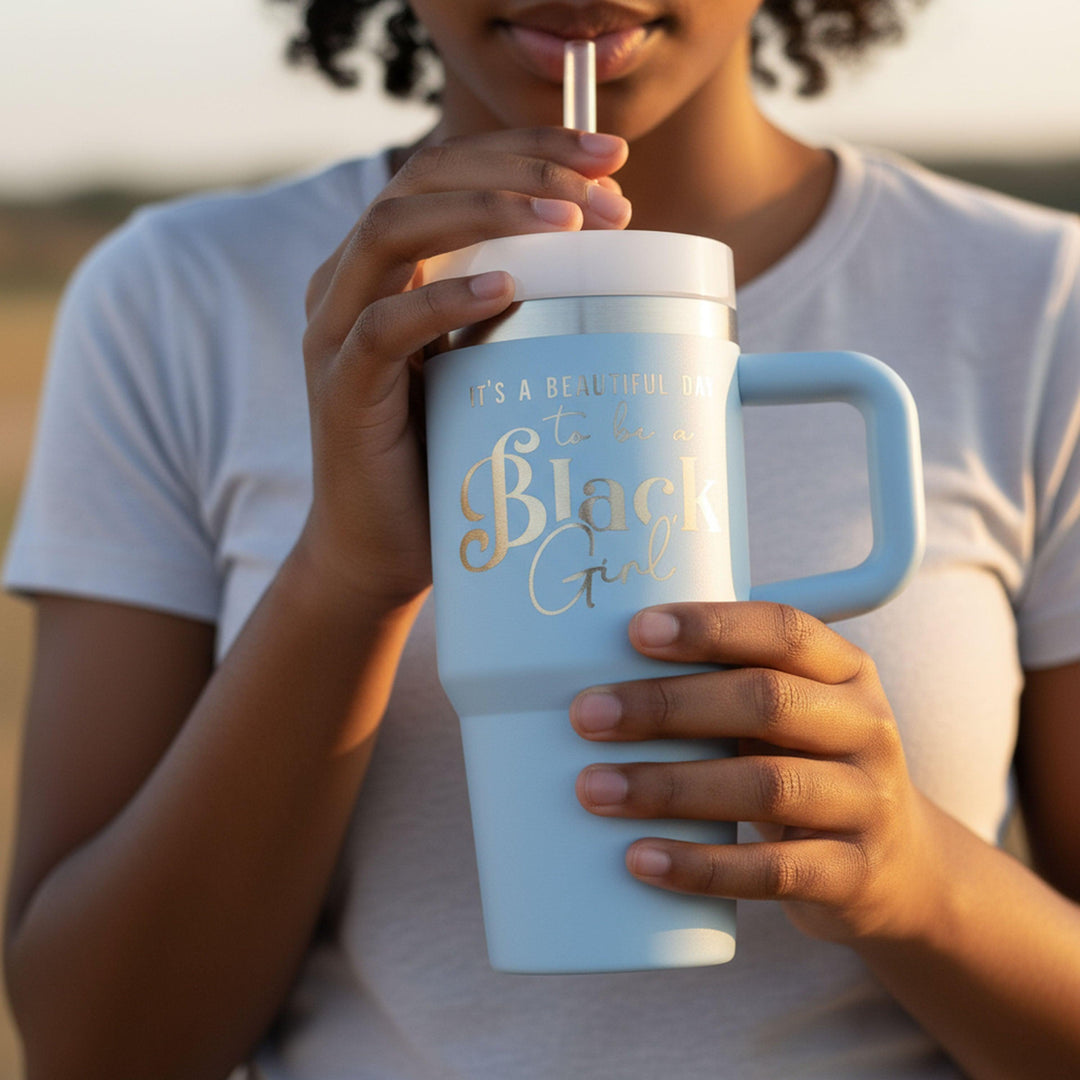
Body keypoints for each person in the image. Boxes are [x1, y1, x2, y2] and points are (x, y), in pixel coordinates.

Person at [4, 1, 1080, 1076]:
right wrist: (344, 579)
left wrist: (919, 885)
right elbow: (93, 1047)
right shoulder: (178, 299)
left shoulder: (1041, 307)